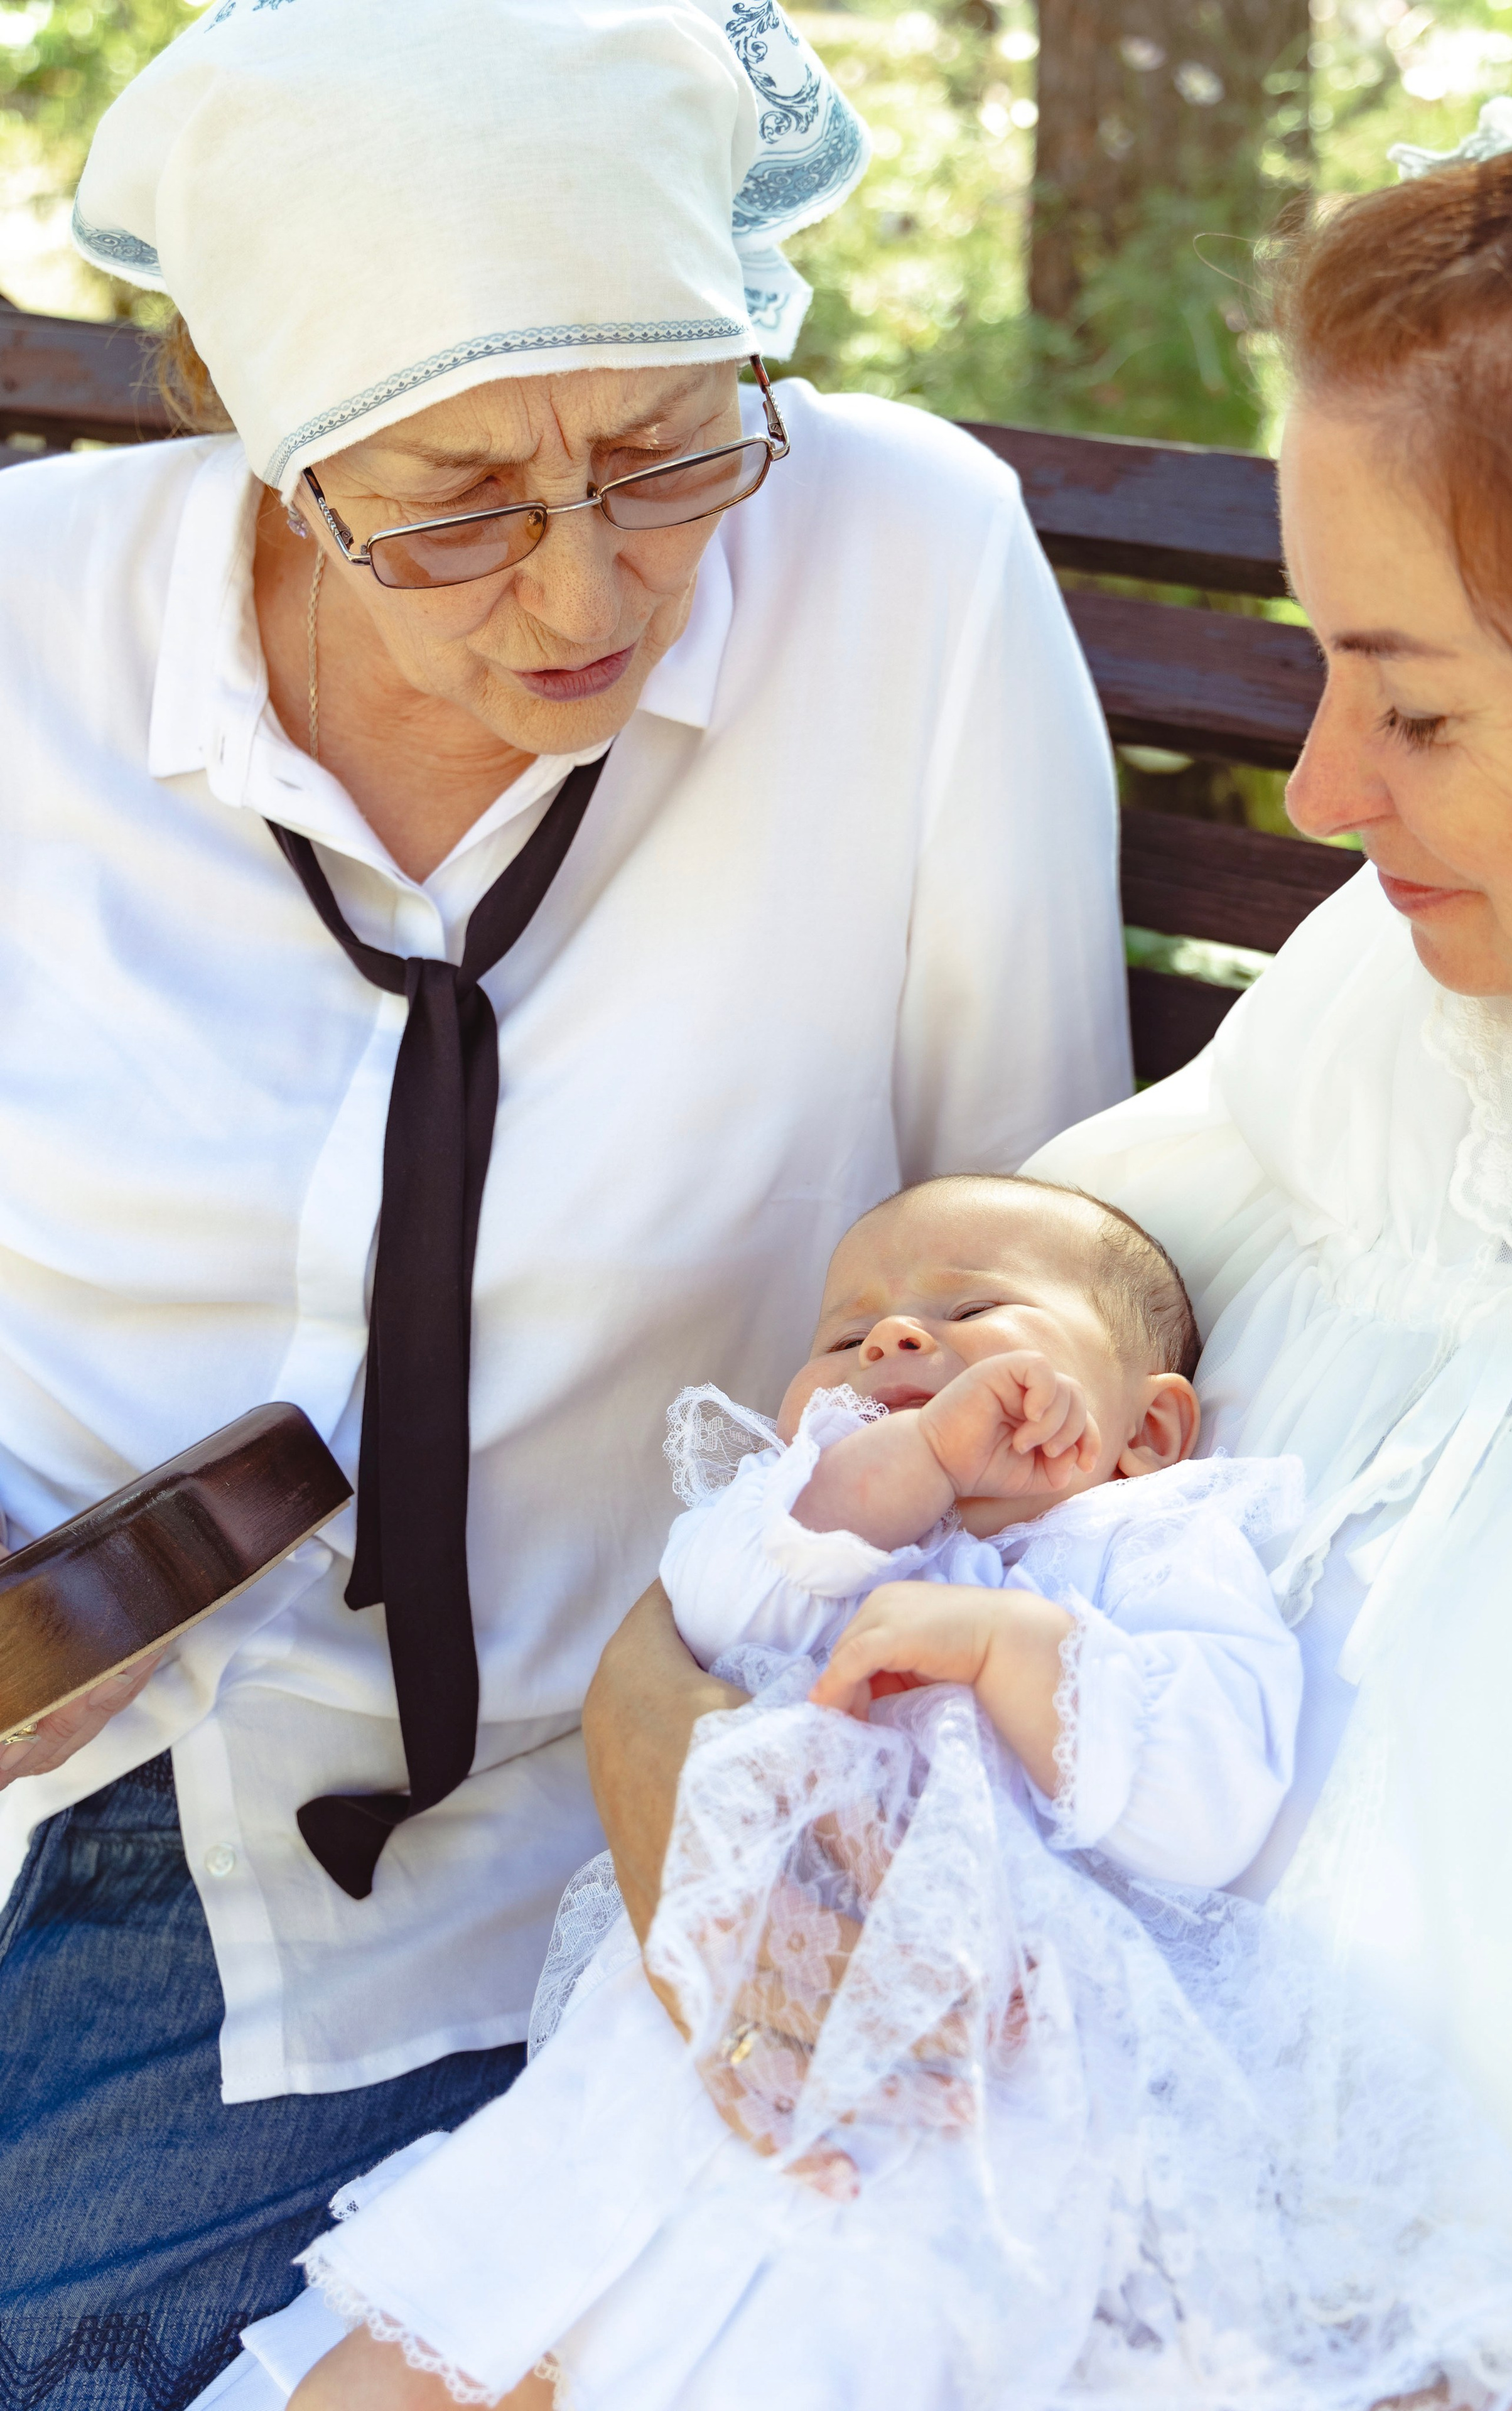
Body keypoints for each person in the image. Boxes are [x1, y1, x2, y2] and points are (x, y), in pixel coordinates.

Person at [0, 0, 1129, 2400]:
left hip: (579, 1837)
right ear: (258, 437)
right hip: (70, 1787)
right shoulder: (24, 634)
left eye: (660, 452)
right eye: (451, 503)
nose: (584, 594)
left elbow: (1038, 1258)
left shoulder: (900, 577)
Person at [564, 94, 1512, 2411]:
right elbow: (943, 1369)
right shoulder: (1414, 1010)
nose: (1323, 793)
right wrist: (689, 1738)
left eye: (1417, 701)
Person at [218, 1179, 1512, 2411]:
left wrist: (1010, 1648)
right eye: (846, 1331)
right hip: (692, 2043)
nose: (890, 1340)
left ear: (1145, 1430)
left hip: (976, 2087)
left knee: (801, 2329)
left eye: (973, 1309)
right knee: (463, 2320)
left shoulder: (1154, 1555)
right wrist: (911, 1466)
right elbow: (709, 1597)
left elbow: (1210, 1805)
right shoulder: (811, 1540)